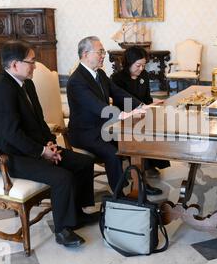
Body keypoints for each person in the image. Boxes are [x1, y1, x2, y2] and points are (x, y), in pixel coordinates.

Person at [0, 40, 98, 248]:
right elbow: (12, 135)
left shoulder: (26, 83)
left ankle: (78, 213)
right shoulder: (2, 89)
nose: (35, 66)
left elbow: (38, 120)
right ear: (14, 65)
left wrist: (50, 144)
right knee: (62, 177)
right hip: (14, 157)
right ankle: (63, 230)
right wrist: (42, 152)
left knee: (84, 162)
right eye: (31, 61)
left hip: (37, 147)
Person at [67, 36, 163, 195]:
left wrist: (141, 106)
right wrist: (123, 114)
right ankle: (120, 194)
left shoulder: (100, 74)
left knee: (134, 142)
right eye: (100, 52)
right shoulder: (76, 80)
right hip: (86, 133)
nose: (103, 55)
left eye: (103, 52)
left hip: (104, 128)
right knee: (112, 154)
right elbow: (97, 106)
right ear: (85, 54)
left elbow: (118, 93)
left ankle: (140, 185)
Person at [111, 46, 170, 178]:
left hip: (143, 112)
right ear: (129, 62)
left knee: (157, 126)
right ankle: (142, 166)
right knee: (141, 130)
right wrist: (141, 108)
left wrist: (153, 105)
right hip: (126, 116)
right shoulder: (117, 78)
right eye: (138, 65)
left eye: (143, 65)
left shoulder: (144, 75)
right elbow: (122, 102)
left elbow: (147, 98)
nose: (141, 69)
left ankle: (152, 162)